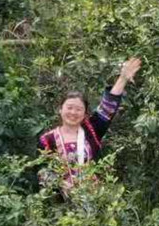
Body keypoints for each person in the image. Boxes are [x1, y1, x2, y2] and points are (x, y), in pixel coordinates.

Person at [37, 58, 142, 194]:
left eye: (79, 109)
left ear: (85, 113)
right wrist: (61, 185)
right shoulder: (47, 140)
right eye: (69, 107)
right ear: (60, 109)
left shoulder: (91, 130)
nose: (73, 113)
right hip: (61, 203)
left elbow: (107, 107)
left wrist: (122, 78)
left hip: (93, 197)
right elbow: (42, 171)